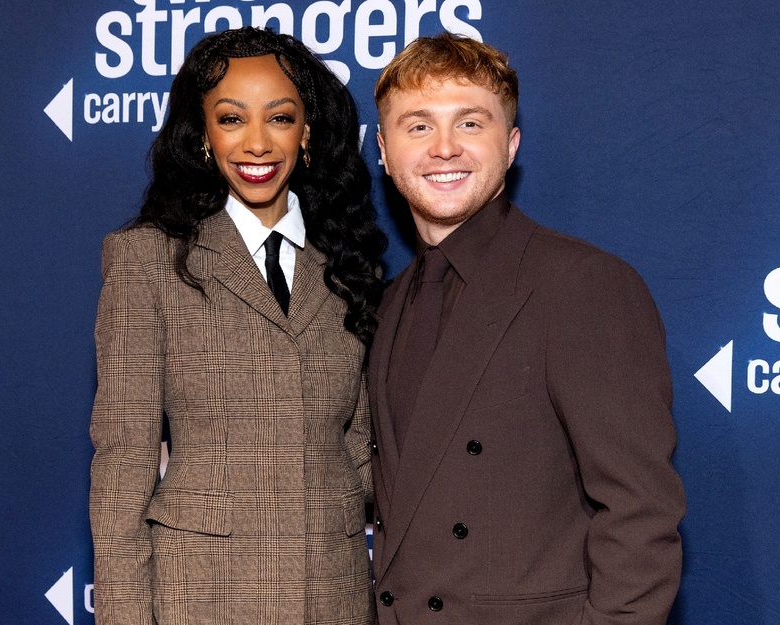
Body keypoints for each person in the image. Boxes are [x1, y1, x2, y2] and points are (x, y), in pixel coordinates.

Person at [367, 33, 686, 625]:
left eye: (469, 124)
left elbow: (639, 514)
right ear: (383, 152)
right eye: (417, 127)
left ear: (510, 144)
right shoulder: (388, 306)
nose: (443, 149)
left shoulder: (583, 285)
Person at [90, 27, 385, 625]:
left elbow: (360, 437)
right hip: (201, 594)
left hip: (332, 592)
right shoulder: (147, 258)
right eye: (231, 119)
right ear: (202, 135)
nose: (257, 144)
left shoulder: (349, 260)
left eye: (279, 118)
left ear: (308, 132)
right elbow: (124, 463)